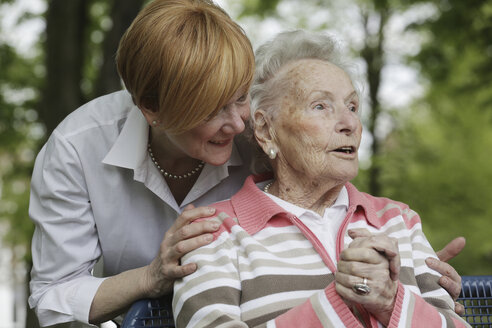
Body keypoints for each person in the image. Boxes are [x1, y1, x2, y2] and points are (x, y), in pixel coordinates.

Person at [28, 0, 463, 326]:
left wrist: (409, 279)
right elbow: (53, 294)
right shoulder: (76, 149)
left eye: (240, 97)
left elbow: (322, 196)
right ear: (151, 110)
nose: (239, 125)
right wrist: (150, 277)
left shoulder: (258, 134)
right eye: (213, 111)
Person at [172, 30, 470, 327]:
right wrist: (337, 304)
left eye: (352, 107)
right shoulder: (215, 232)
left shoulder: (398, 220)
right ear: (264, 130)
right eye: (321, 106)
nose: (350, 123)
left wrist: (390, 301)